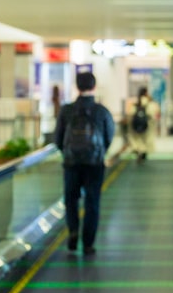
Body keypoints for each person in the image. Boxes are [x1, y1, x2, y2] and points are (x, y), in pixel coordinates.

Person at [54, 72, 115, 255]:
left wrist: (67, 153)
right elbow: (108, 136)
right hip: (95, 163)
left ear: (77, 87)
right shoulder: (101, 111)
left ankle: (73, 230)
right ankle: (88, 243)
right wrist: (100, 151)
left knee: (71, 199)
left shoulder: (66, 110)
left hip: (72, 162)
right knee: (92, 201)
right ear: (94, 87)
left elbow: (58, 137)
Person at [127, 86, 160, 164]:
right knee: (146, 139)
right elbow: (155, 113)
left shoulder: (135, 103)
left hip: (136, 125)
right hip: (147, 125)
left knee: (138, 139)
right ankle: (143, 152)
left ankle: (138, 150)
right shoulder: (151, 103)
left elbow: (130, 114)